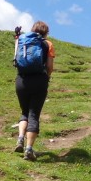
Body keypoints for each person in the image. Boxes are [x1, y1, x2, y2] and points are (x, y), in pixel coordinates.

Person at [13, 21, 55, 161]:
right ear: (46, 32)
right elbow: (49, 66)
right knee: (34, 114)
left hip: (21, 80)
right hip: (39, 80)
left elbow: (16, 60)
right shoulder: (47, 44)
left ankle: (20, 139)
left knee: (24, 112)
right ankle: (29, 149)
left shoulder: (22, 40)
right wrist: (46, 78)